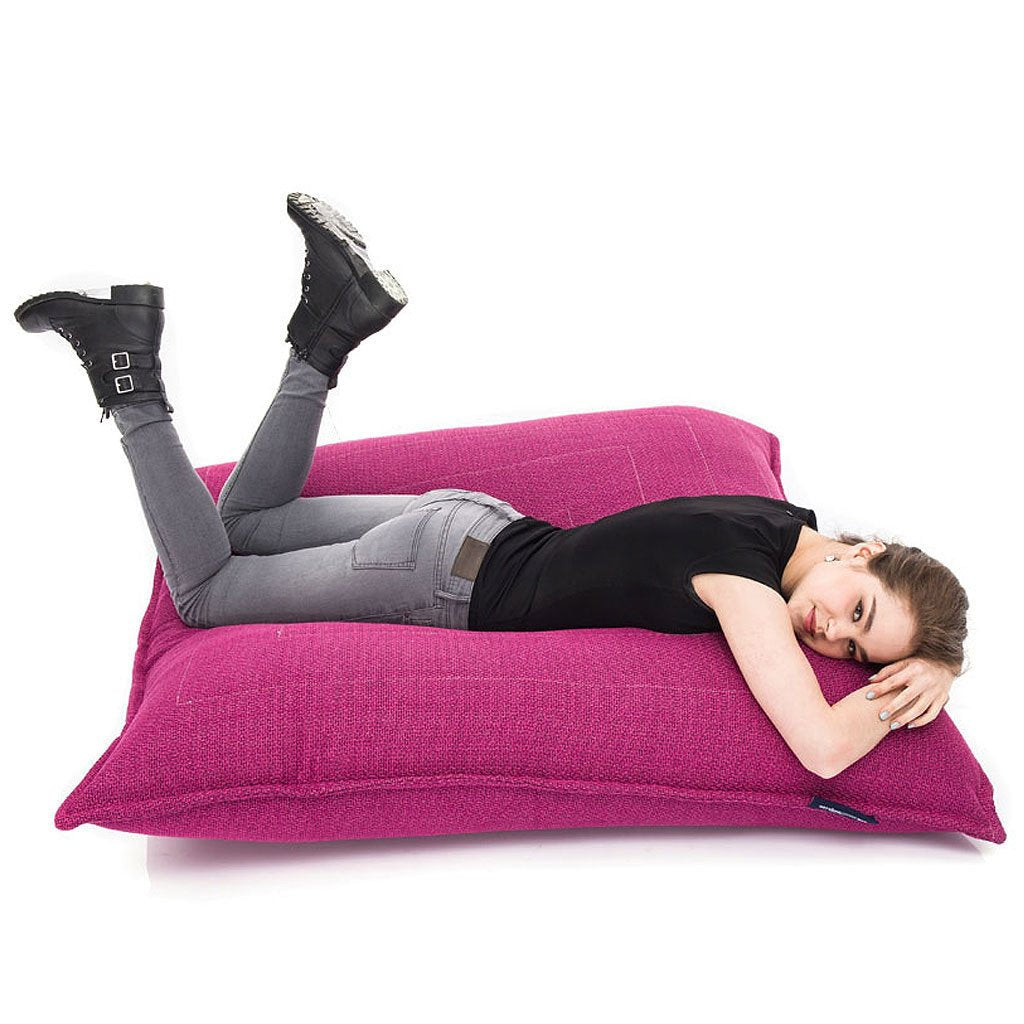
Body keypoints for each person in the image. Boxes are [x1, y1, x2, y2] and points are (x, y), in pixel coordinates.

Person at [14, 192, 965, 776]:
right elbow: (822, 749)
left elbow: (837, 620)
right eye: (858, 610)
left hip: (469, 523)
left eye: (856, 653)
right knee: (207, 590)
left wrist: (940, 653)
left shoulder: (777, 521)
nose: (830, 635)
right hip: (441, 577)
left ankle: (331, 327)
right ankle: (127, 373)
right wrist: (923, 683)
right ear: (864, 550)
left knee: (248, 519)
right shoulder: (748, 592)